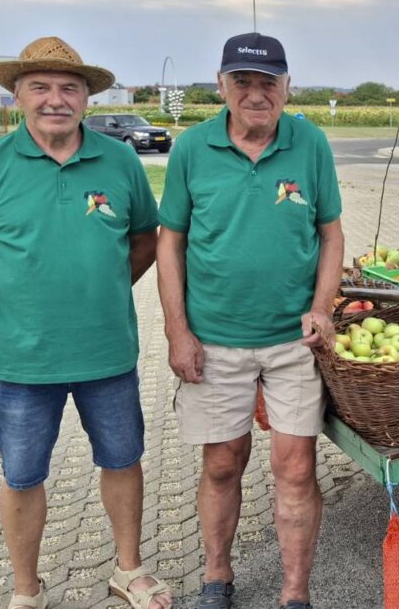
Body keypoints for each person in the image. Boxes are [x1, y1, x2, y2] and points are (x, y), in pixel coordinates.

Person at [0, 37, 172, 609]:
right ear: (17, 95)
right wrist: (7, 310)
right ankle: (26, 591)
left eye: (69, 88)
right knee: (22, 476)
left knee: (122, 461)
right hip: (21, 360)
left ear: (87, 98)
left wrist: (104, 291)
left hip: (106, 353)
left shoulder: (119, 161)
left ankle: (129, 570)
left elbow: (146, 240)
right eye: (40, 87)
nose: (55, 99)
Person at [156, 32, 344, 609]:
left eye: (269, 82)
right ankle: (217, 579)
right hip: (216, 343)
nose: (256, 94)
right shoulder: (192, 148)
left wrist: (322, 307)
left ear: (287, 87)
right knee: (220, 464)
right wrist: (177, 330)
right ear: (221, 86)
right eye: (243, 81)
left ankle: (294, 595)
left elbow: (330, 234)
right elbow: (170, 243)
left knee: (295, 468)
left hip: (293, 343)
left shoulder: (310, 143)